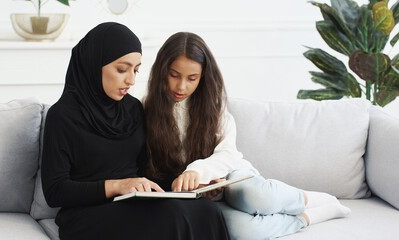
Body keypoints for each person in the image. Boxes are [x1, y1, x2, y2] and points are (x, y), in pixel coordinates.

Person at [143, 31, 351, 239]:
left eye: (192, 78)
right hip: (202, 196)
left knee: (254, 196)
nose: (181, 86)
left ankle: (307, 199)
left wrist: (198, 171)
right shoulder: (146, 109)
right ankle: (308, 217)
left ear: (203, 76)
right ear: (162, 71)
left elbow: (228, 154)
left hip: (232, 175)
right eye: (174, 75)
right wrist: (192, 185)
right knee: (240, 232)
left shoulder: (213, 107)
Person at [41, 22, 230, 240]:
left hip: (132, 204)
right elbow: (55, 191)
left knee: (208, 211)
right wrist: (117, 186)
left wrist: (188, 186)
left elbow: (145, 173)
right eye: (122, 69)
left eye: (136, 69)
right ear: (94, 63)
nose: (131, 80)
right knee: (171, 215)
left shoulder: (133, 109)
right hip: (85, 214)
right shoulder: (62, 116)